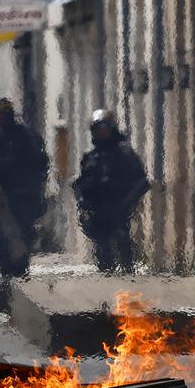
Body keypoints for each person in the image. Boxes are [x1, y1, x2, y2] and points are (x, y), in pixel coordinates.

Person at [72, 109, 150, 272]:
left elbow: (141, 182)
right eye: (98, 129)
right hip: (97, 210)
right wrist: (82, 200)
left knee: (122, 242)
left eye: (104, 128)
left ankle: (128, 273)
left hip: (118, 208)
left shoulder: (124, 153)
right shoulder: (91, 157)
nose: (101, 132)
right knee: (102, 250)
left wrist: (126, 203)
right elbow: (83, 182)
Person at [0, 97, 49, 252]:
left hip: (20, 193)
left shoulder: (24, 135)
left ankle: (20, 264)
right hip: (0, 192)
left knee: (22, 230)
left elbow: (39, 162)